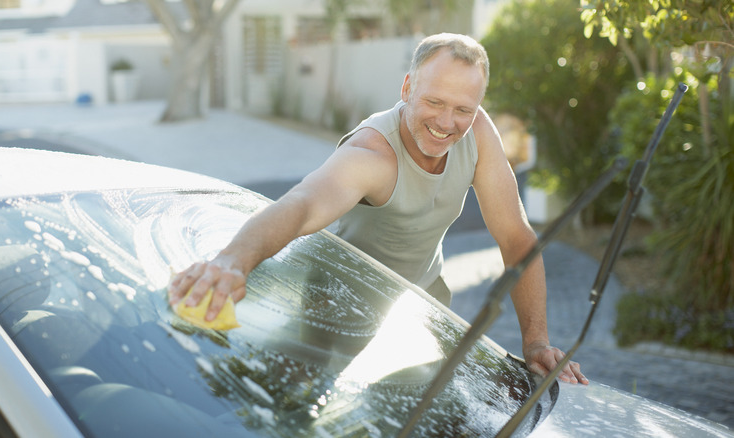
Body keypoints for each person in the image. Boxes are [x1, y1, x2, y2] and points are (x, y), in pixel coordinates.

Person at [169, 33, 588, 385]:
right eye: (434, 102)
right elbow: (300, 206)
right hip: (332, 307)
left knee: (438, 412)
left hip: (419, 307)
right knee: (294, 401)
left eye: (463, 109)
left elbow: (516, 238)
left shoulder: (477, 132)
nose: (447, 122)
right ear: (406, 89)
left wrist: (536, 342)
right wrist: (232, 261)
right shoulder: (373, 153)